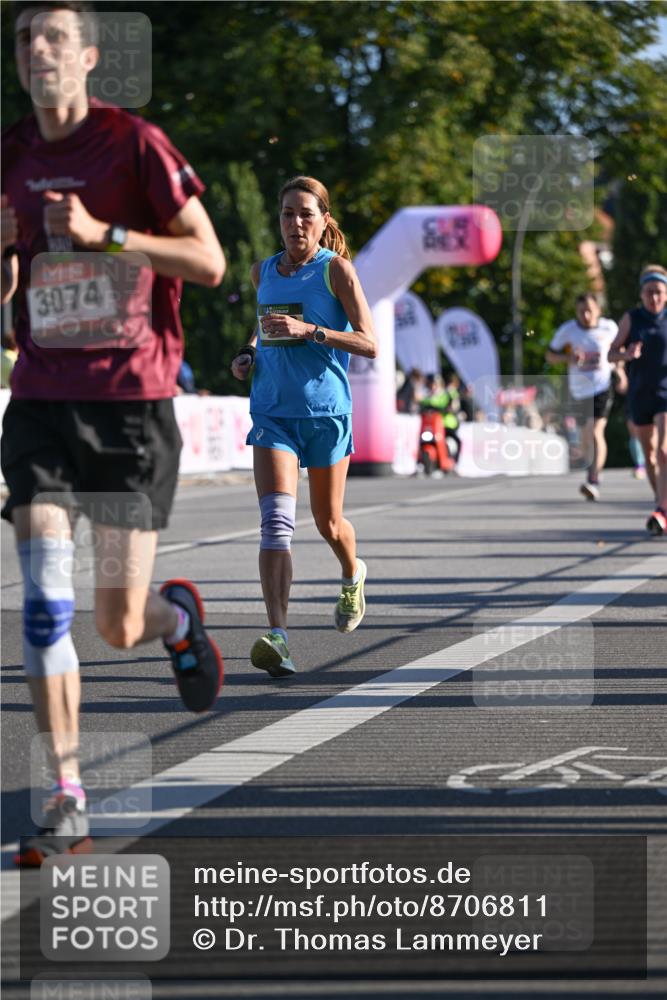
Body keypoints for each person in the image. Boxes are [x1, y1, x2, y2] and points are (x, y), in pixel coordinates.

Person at [1, 1, 226, 866]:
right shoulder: (10, 155)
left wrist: (108, 236)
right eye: (24, 38)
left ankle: (176, 621)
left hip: (130, 406)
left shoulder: (133, 144)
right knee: (44, 604)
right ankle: (66, 795)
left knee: (118, 624)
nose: (37, 49)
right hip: (41, 403)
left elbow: (208, 262)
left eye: (54, 37)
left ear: (90, 56)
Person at [231, 175, 376, 677]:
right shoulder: (262, 271)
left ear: (323, 221)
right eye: (287, 214)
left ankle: (352, 572)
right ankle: (279, 636)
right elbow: (263, 323)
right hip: (272, 411)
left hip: (326, 413)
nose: (295, 223)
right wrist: (249, 352)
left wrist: (311, 330)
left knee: (328, 523)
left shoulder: (337, 271)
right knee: (276, 524)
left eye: (306, 214)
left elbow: (370, 343)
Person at [608, 264, 667, 535]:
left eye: (659, 292)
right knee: (650, 456)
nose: (654, 297)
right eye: (649, 292)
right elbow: (611, 354)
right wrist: (626, 354)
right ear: (641, 294)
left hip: (665, 393)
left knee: (664, 451)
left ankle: (662, 509)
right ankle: (661, 503)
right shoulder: (632, 318)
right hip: (640, 393)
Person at [546, 293, 619, 501]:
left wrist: (620, 371)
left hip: (601, 386)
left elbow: (619, 351)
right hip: (578, 390)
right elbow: (549, 355)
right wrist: (567, 357)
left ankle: (593, 479)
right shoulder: (568, 330)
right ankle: (593, 470)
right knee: (585, 437)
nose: (585, 315)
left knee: (595, 431)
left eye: (589, 311)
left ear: (598, 310)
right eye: (581, 312)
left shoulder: (609, 328)